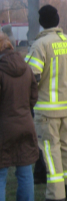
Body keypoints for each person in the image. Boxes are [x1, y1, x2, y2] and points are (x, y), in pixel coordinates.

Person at [25, 5, 67, 201]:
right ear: (58, 20)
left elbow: (31, 77)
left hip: (45, 110)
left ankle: (56, 195)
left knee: (50, 152)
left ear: (41, 22)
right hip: (66, 107)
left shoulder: (40, 45)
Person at [0, 34, 38, 201]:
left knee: (1, 174)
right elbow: (33, 96)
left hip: (3, 127)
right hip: (25, 123)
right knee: (25, 171)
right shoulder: (26, 68)